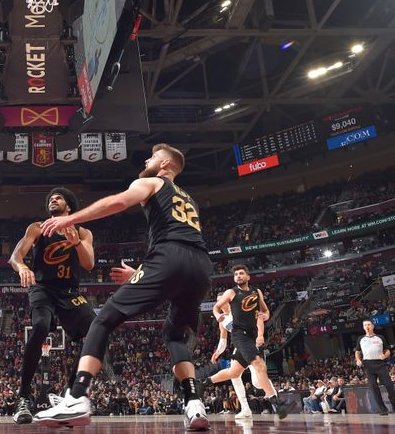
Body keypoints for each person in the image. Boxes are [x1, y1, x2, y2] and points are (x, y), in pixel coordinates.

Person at [34, 144, 212, 430]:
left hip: (168, 257)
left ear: (165, 164)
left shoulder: (151, 182)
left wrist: (71, 218)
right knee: (175, 336)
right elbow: (182, 246)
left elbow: (118, 202)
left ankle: (77, 397)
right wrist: (142, 272)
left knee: (103, 320)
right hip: (201, 267)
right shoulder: (189, 199)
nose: (146, 159)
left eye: (152, 157)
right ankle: (194, 403)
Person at [8, 187, 96, 424]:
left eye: (58, 198)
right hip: (43, 289)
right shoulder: (37, 227)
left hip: (69, 292)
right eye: (50, 199)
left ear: (68, 206)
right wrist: (23, 267)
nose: (52, 200)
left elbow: (88, 264)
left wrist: (75, 242)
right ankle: (23, 398)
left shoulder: (83, 232)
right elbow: (15, 256)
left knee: (96, 331)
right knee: (39, 327)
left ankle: (70, 396)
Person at [203, 265, 294, 419]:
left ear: (248, 276)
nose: (238, 276)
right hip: (240, 337)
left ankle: (203, 382)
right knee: (260, 366)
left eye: (241, 273)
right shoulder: (230, 296)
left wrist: (264, 322)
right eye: (236, 274)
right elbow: (217, 315)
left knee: (236, 373)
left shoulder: (255, 292)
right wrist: (217, 350)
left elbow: (263, 312)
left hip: (251, 338)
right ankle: (277, 404)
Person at [208, 292, 263, 420]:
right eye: (217, 300)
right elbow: (223, 340)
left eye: (221, 299)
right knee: (235, 376)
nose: (219, 302)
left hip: (250, 342)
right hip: (239, 346)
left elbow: (257, 318)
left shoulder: (237, 309)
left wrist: (260, 335)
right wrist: (217, 352)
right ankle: (245, 409)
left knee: (257, 384)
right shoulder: (222, 320)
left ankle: (274, 395)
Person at [355, 319, 395, 415]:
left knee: (389, 385)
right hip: (368, 365)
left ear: (372, 326)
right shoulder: (361, 339)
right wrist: (358, 360)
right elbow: (357, 351)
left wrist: (385, 355)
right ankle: (382, 409)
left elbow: (388, 350)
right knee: (374, 387)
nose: (367, 326)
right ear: (364, 327)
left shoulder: (380, 337)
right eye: (365, 325)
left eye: (369, 324)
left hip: (380, 364)